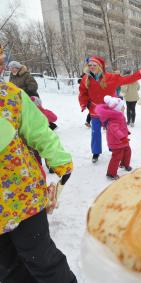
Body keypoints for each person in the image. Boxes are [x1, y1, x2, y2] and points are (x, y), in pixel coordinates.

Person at [0, 44, 76, 282]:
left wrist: (60, 160)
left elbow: (40, 132)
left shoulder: (10, 96)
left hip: (22, 197)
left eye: (2, 59)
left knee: (42, 259)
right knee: (8, 266)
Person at [78, 56, 141, 163]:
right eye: (90, 65)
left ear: (99, 66)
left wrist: (139, 74)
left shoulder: (110, 77)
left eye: (94, 65)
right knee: (95, 132)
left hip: (108, 111)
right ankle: (95, 153)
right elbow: (83, 92)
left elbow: (126, 79)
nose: (92, 67)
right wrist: (85, 103)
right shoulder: (85, 79)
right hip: (95, 110)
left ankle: (114, 149)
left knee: (112, 131)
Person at [96, 96, 132, 180]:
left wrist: (126, 132)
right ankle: (111, 173)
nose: (124, 108)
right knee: (116, 157)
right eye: (123, 107)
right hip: (116, 142)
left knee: (127, 151)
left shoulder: (120, 115)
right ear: (117, 109)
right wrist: (122, 137)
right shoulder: (113, 119)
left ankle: (124, 164)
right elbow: (115, 130)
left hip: (123, 139)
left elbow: (122, 126)